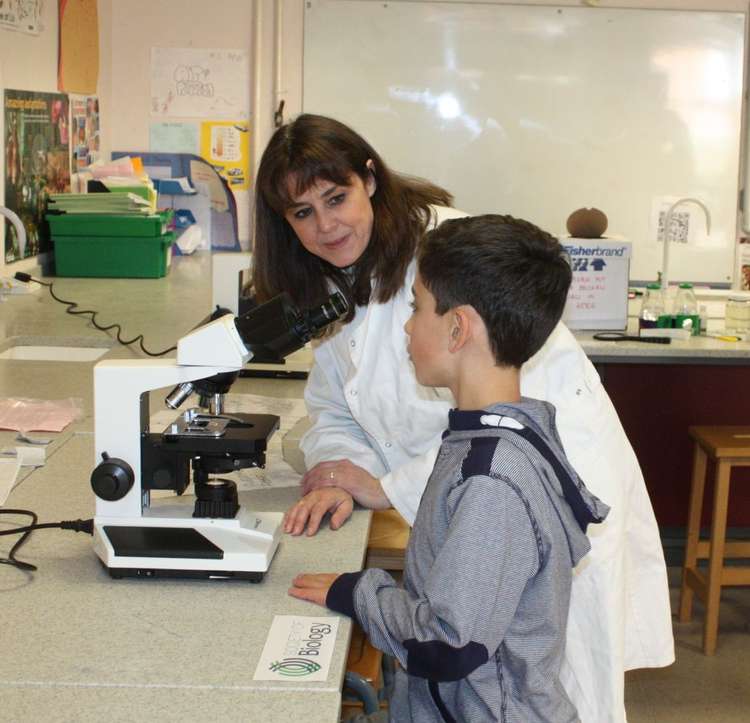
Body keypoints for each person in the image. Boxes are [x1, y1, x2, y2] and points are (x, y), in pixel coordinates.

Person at [252, 114, 674, 722]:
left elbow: (520, 419)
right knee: (478, 679)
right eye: (302, 214)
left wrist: (384, 486)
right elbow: (334, 404)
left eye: (336, 198)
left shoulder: (451, 258)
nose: (326, 225)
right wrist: (341, 473)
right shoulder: (334, 278)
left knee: (548, 681)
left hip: (528, 497)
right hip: (464, 517)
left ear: (369, 178)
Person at [289, 214, 610, 722]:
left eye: (417, 307)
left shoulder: (491, 480)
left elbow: (447, 646)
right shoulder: (489, 437)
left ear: (458, 327)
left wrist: (358, 591)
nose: (408, 324)